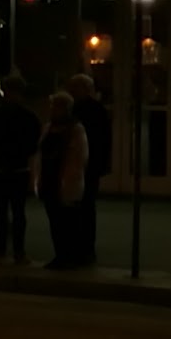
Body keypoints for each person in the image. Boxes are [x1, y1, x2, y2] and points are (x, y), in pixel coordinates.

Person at [0, 74, 41, 265]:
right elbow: (33, 145)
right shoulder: (29, 117)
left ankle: (1, 251)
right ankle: (19, 252)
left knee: (0, 212)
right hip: (19, 168)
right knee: (18, 212)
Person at [38, 91, 89, 270]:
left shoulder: (75, 129)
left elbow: (79, 157)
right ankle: (60, 254)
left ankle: (71, 255)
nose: (52, 110)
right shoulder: (48, 128)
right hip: (49, 179)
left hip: (65, 180)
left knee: (68, 221)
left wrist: (70, 177)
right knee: (55, 220)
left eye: (56, 106)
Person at [67, 73, 112, 267]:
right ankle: (82, 247)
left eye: (76, 88)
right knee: (82, 206)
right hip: (85, 164)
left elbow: (101, 140)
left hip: (87, 164)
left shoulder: (84, 111)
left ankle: (84, 247)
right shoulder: (92, 110)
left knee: (84, 206)